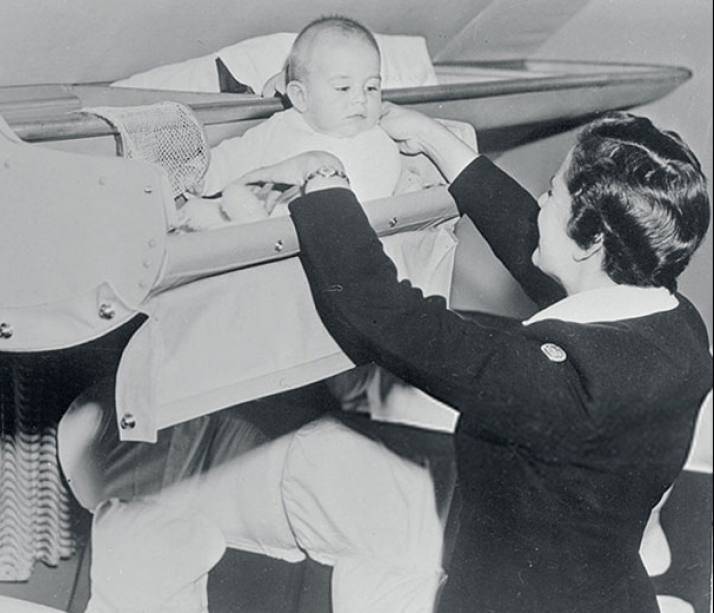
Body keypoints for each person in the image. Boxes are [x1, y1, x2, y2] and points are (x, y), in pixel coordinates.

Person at [80, 107, 712, 613]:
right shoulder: (676, 326)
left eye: (552, 193)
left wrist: (324, 188)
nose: (540, 204)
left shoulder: (559, 387)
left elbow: (381, 313)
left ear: (593, 239)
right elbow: (546, 252)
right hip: (599, 587)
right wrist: (439, 143)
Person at [179, 15, 423, 230]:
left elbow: (361, 214)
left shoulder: (376, 143)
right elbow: (238, 154)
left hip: (314, 241)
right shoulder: (282, 125)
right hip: (256, 225)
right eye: (343, 88)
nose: (361, 98)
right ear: (301, 97)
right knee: (197, 214)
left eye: (371, 87)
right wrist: (201, 176)